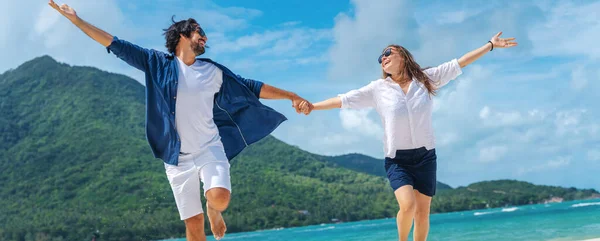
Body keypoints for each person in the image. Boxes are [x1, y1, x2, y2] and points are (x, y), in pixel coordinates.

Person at [48, 1, 314, 241]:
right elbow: (114, 43)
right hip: (177, 159)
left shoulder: (213, 71)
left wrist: (291, 96)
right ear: (184, 36)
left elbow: (250, 86)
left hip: (210, 147)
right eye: (200, 32)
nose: (205, 38)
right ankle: (205, 214)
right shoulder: (156, 63)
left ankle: (214, 211)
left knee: (219, 198)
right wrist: (77, 21)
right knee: (194, 225)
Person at [300, 33, 517, 241]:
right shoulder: (378, 89)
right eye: (380, 58)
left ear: (403, 56)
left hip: (425, 157)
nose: (382, 59)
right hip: (397, 160)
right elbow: (343, 100)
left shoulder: (426, 79)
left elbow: (460, 63)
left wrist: (490, 45)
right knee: (407, 206)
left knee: (423, 213)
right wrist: (313, 106)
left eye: (387, 53)